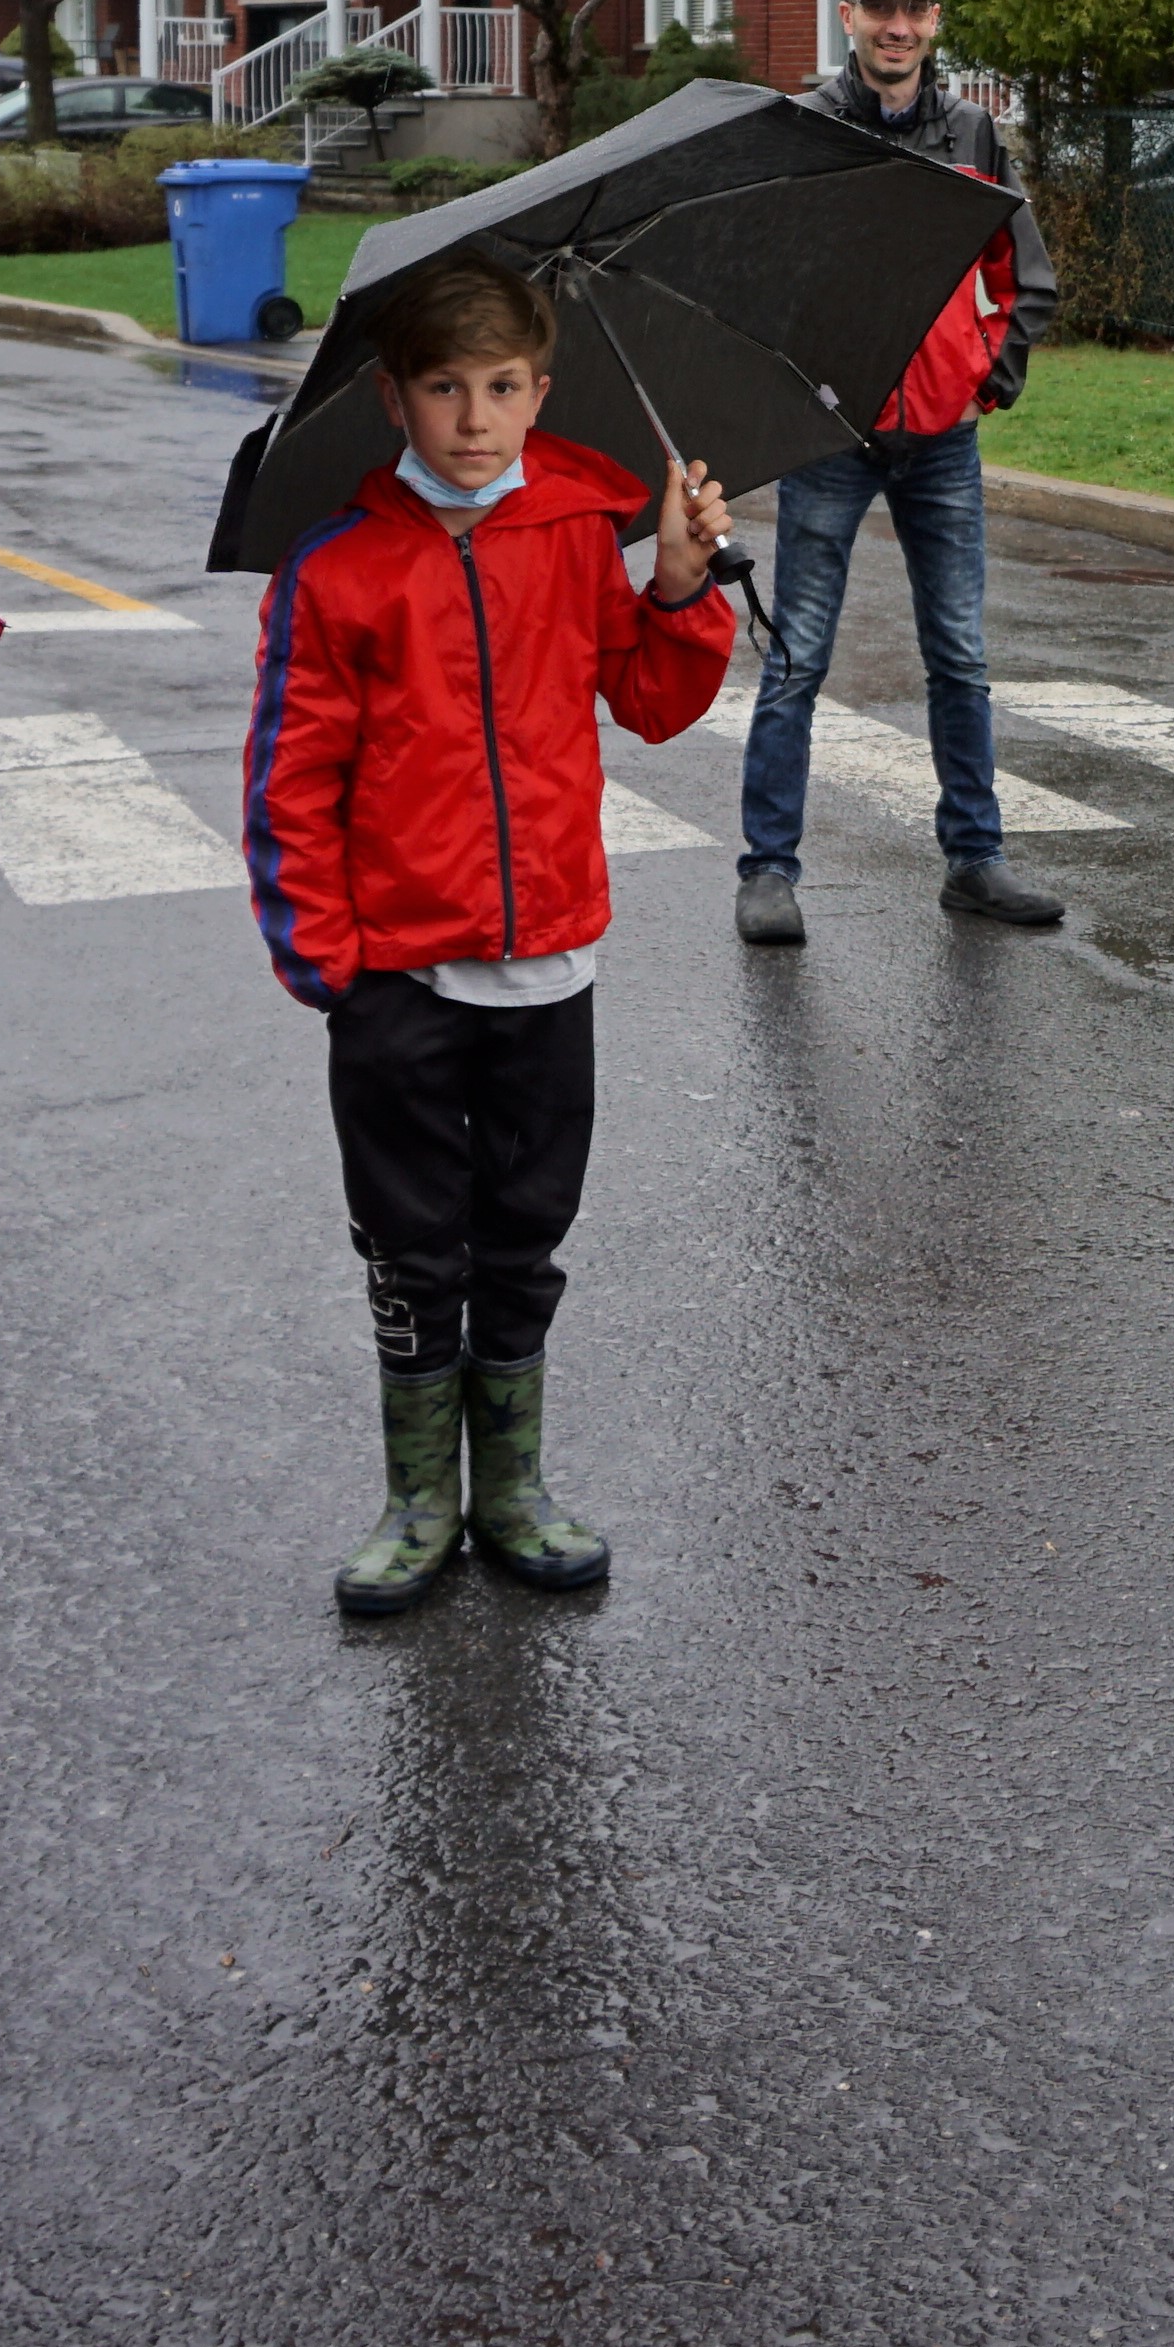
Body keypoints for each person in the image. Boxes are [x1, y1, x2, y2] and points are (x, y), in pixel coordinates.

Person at [247, 257, 735, 1615]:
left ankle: (510, 1485)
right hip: (399, 975)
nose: (475, 419)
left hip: (547, 967)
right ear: (393, 399)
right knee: (414, 1243)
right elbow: (291, 771)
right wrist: (324, 958)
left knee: (523, 1231)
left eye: (504, 389)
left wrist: (681, 587)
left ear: (542, 392)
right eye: (446, 389)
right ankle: (419, 1497)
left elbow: (644, 702)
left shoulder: (579, 528)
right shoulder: (340, 569)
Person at [733, 0, 1063, 944]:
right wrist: (800, 394)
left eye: (915, 7)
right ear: (849, 18)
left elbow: (1025, 278)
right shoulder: (807, 133)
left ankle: (975, 858)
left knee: (959, 657)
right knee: (798, 659)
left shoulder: (971, 136)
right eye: (881, 6)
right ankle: (768, 870)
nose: (898, 24)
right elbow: (763, 283)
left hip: (942, 443)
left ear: (932, 22)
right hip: (833, 439)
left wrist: (986, 385)